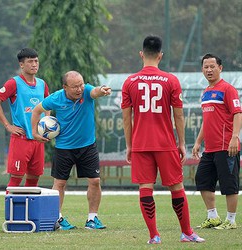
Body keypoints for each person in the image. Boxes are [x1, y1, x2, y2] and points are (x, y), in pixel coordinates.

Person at [121, 35, 205, 244]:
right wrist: (182, 143)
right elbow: (178, 115)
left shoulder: (129, 81)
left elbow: (126, 117)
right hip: (165, 143)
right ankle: (186, 232)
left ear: (141, 54)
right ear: (160, 55)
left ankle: (154, 236)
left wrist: (130, 145)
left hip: (141, 144)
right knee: (176, 187)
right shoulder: (171, 80)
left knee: (145, 188)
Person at [31, 70, 111, 230]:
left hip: (87, 146)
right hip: (64, 148)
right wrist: (34, 132)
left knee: (95, 181)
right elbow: (36, 111)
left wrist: (101, 90)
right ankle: (57, 219)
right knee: (59, 183)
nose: (79, 89)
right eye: (75, 86)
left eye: (81, 85)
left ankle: (92, 218)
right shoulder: (56, 98)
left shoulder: (87, 91)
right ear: (65, 87)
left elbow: (95, 91)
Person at [192, 53, 242, 230]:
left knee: (229, 184)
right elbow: (207, 121)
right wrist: (198, 142)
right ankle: (213, 217)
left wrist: (235, 137)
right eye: (206, 67)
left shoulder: (228, 89)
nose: (209, 70)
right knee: (202, 179)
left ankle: (231, 220)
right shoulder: (206, 93)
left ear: (220, 68)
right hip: (210, 148)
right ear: (202, 70)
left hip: (227, 146)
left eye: (212, 66)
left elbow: (238, 113)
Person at [0, 48, 49, 189]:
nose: (34, 64)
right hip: (21, 139)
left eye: (36, 61)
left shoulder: (42, 84)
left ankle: (30, 211)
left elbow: (47, 105)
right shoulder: (13, 83)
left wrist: (47, 122)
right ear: (21, 65)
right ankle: (10, 211)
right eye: (30, 61)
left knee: (34, 180)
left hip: (37, 140)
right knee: (15, 181)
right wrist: (8, 126)